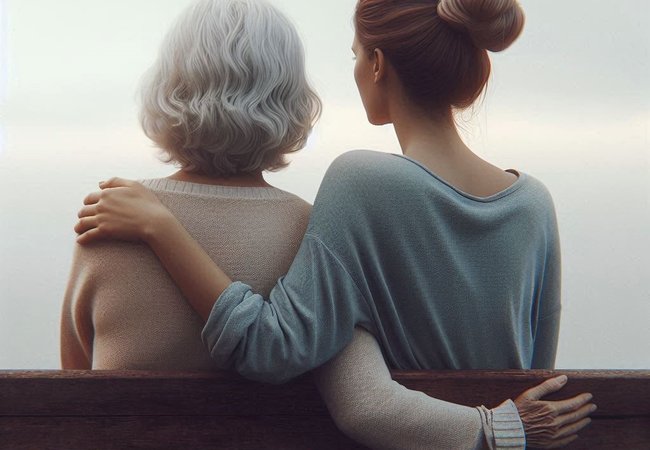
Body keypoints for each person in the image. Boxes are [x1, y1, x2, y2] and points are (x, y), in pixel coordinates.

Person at [73, 0, 596, 448]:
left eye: (354, 54)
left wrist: (162, 227)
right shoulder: (534, 204)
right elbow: (536, 374)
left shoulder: (360, 184)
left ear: (377, 64)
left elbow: (276, 352)